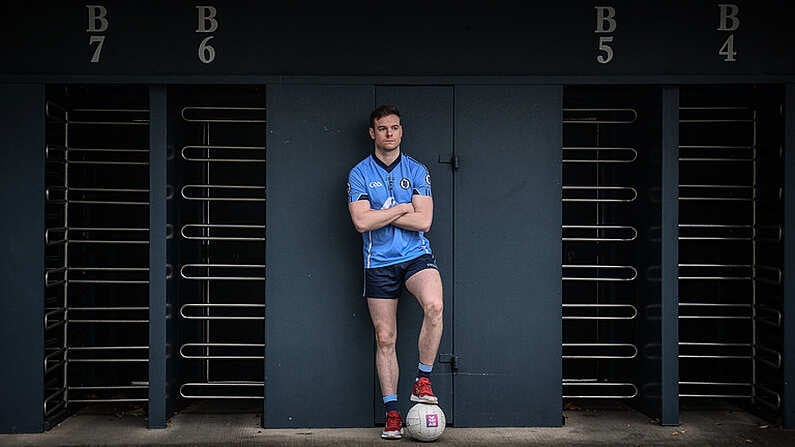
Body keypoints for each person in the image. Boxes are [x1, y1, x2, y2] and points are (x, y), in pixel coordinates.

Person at [347, 105, 444, 440]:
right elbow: (361, 222)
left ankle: (423, 380)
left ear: (401, 131)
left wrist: (384, 213)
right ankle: (391, 414)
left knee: (434, 306)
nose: (390, 133)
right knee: (385, 337)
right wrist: (405, 207)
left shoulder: (416, 170)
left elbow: (425, 222)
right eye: (383, 129)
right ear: (373, 133)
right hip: (379, 263)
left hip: (416, 256)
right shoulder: (359, 173)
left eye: (395, 128)